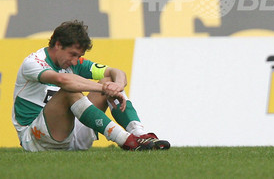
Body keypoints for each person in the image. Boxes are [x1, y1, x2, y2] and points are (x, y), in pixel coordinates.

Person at [12, 20, 170, 151]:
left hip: (70, 135)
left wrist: (117, 85)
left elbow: (116, 72)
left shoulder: (74, 63)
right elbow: (63, 81)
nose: (75, 61)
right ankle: (125, 140)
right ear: (58, 44)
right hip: (37, 139)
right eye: (73, 54)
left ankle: (139, 135)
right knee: (70, 89)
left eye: (79, 56)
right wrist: (103, 89)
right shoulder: (34, 62)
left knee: (108, 80)